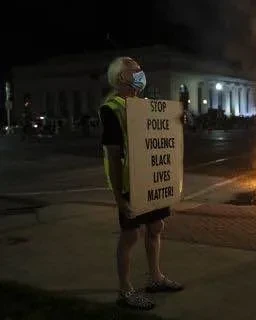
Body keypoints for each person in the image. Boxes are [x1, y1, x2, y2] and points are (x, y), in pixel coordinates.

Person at [99, 57, 183, 310]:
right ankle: (125, 290)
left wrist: (177, 121)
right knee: (130, 235)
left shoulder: (145, 107)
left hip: (150, 180)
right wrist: (119, 198)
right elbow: (113, 156)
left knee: (156, 226)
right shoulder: (111, 109)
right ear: (122, 77)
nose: (140, 74)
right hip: (129, 183)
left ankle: (155, 277)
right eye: (135, 71)